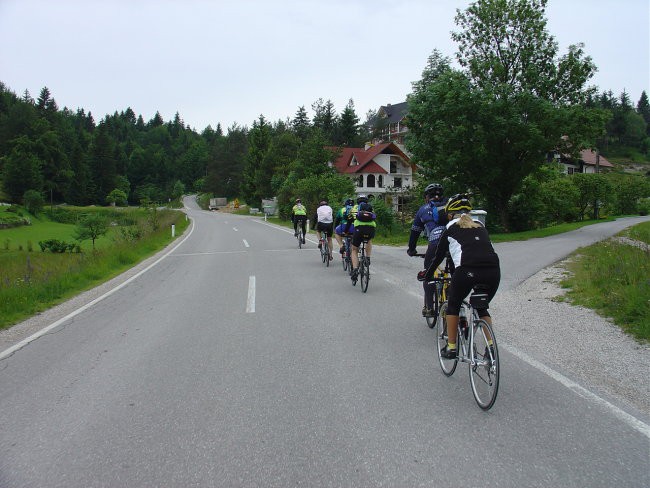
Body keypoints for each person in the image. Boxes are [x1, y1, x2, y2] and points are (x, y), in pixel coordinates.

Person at [419, 194, 500, 359]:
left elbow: (437, 258)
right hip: (493, 272)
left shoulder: (450, 228)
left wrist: (427, 276)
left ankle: (451, 347)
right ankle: (491, 348)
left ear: (449, 215)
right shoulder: (480, 226)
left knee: (453, 305)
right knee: (481, 307)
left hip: (467, 271)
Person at [407, 183, 448, 317]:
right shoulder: (450, 206)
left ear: (426, 197)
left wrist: (411, 249)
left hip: (436, 242)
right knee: (454, 271)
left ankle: (429, 308)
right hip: (454, 240)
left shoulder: (423, 209)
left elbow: (415, 232)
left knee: (428, 273)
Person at [350, 195, 376, 282]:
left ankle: (355, 269)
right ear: (367, 201)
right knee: (369, 240)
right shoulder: (370, 208)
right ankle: (368, 258)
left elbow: (350, 219)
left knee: (354, 249)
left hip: (358, 229)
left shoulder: (354, 208)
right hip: (370, 228)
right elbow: (374, 217)